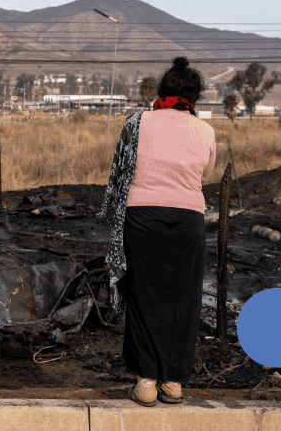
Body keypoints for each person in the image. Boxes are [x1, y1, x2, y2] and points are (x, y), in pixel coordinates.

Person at [101, 57, 215, 407]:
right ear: (194, 98)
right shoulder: (206, 130)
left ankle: (147, 383)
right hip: (189, 220)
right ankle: (173, 383)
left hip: (142, 215)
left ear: (161, 92)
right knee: (183, 299)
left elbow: (120, 170)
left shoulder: (137, 123)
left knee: (144, 297)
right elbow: (205, 174)